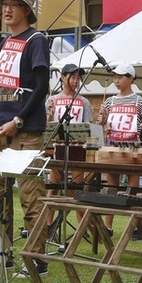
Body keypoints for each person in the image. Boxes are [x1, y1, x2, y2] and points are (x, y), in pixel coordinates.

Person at [0, 0, 50, 278]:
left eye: (14, 5)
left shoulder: (36, 39)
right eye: (4, 5)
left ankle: (37, 261)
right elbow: (4, 88)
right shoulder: (6, 41)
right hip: (1, 131)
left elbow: (41, 87)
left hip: (26, 131)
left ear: (27, 10)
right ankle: (2, 255)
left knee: (30, 197)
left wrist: (17, 120)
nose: (6, 10)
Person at [96, 63, 142, 235]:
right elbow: (100, 125)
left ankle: (134, 225)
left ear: (130, 78)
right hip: (113, 145)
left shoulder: (139, 100)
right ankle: (108, 226)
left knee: (132, 186)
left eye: (120, 77)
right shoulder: (109, 101)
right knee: (112, 186)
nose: (116, 80)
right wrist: (101, 118)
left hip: (132, 146)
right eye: (115, 77)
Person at [47, 63, 93, 193]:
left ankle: (77, 213)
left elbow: (88, 125)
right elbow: (46, 126)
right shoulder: (52, 99)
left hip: (77, 148)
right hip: (57, 147)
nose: (75, 81)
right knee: (54, 187)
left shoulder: (84, 101)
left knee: (76, 188)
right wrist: (50, 114)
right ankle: (49, 213)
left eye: (78, 78)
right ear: (62, 77)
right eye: (72, 77)